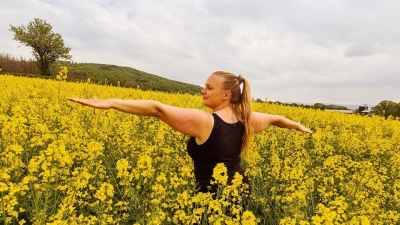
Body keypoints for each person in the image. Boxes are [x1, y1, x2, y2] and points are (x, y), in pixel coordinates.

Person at [68, 71, 313, 195]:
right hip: (240, 189)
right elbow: (277, 119)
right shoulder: (248, 119)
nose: (202, 90)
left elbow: (156, 108)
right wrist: (299, 126)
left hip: (210, 197)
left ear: (226, 94)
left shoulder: (204, 121)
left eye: (208, 87)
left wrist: (110, 102)